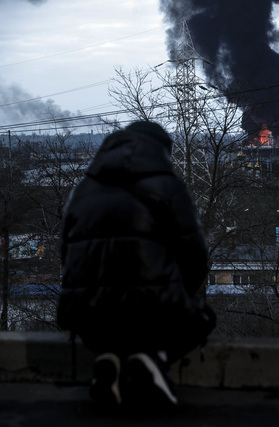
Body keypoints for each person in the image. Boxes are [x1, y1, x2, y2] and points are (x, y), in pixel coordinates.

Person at [57, 121, 216, 406]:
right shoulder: (168, 186)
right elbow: (195, 256)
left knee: (117, 313)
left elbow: (65, 255)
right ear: (159, 151)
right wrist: (182, 292)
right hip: (152, 312)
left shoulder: (82, 189)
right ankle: (153, 360)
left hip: (87, 315)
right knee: (200, 317)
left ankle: (111, 361)